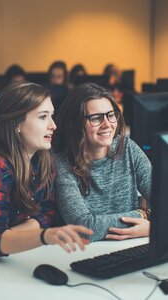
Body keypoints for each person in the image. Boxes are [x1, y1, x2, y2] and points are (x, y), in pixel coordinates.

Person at [0, 81, 92, 257]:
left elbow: (48, 213)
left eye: (52, 115)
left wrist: (14, 234)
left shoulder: (42, 160)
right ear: (17, 124)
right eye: (43, 117)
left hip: (20, 256)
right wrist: (43, 235)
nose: (53, 125)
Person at [53, 82, 151, 242]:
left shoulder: (128, 148)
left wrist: (151, 226)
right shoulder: (61, 163)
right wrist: (143, 215)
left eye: (111, 115)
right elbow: (83, 227)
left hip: (131, 247)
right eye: (96, 118)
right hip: (85, 254)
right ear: (75, 124)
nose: (107, 124)